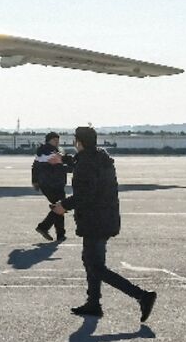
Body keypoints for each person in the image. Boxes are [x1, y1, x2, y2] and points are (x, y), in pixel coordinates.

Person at [50, 126, 156, 321]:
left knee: (95, 266)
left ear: (79, 142)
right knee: (91, 261)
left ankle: (142, 296)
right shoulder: (99, 157)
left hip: (95, 220)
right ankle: (93, 303)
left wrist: (63, 206)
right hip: (105, 218)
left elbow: (85, 193)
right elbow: (81, 164)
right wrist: (64, 160)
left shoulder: (87, 163)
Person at [32, 132, 71, 241]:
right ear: (48, 140)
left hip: (49, 184)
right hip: (53, 184)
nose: (57, 142)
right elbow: (60, 165)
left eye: (57, 140)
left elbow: (34, 167)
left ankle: (60, 234)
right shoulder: (49, 152)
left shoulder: (42, 151)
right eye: (54, 140)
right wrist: (72, 167)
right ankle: (44, 227)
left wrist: (35, 181)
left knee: (58, 206)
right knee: (61, 206)